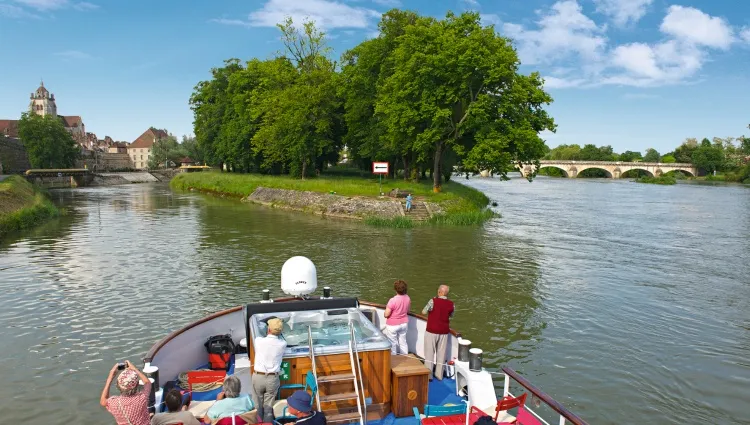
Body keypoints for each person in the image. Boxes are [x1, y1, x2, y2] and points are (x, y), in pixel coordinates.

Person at [253, 317, 287, 423]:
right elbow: (282, 339)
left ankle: (258, 422)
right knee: (268, 408)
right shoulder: (282, 344)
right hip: (273, 378)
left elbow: (260, 336)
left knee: (258, 404)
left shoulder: (258, 341)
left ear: (268, 329)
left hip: (258, 376)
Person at [100, 360, 152, 425]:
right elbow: (147, 383)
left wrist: (110, 377)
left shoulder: (114, 403)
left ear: (118, 385)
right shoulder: (142, 398)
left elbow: (103, 401)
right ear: (137, 384)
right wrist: (135, 369)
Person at [422, 285, 454, 381]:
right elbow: (451, 315)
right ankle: (439, 375)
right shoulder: (451, 304)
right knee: (441, 353)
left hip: (432, 330)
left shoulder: (433, 301)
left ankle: (429, 375)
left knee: (429, 353)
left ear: (439, 292)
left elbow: (423, 312)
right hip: (444, 332)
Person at [384, 279, 411, 355]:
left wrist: (385, 313)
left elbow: (386, 314)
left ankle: (394, 359)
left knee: (393, 343)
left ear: (395, 289)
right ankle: (405, 358)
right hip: (404, 324)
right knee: (403, 342)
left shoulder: (392, 300)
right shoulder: (408, 298)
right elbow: (408, 310)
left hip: (392, 325)